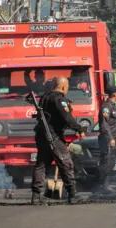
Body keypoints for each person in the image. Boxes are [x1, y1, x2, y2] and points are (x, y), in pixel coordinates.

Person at [30, 76, 86, 205]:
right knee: (66, 164)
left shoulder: (44, 97)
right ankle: (72, 195)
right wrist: (79, 129)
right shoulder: (59, 99)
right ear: (63, 87)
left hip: (42, 135)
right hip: (53, 136)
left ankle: (36, 196)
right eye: (67, 87)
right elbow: (67, 117)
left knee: (42, 164)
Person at [98, 86, 116, 193]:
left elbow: (113, 123)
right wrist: (110, 138)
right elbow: (104, 125)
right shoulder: (106, 107)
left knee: (111, 162)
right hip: (107, 139)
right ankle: (103, 186)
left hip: (112, 138)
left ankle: (106, 185)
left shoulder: (113, 106)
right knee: (106, 161)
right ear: (114, 94)